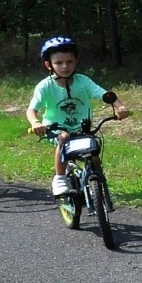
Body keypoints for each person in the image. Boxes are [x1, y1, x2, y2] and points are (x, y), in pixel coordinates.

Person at [26, 36, 131, 191]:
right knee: (64, 138)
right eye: (59, 63)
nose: (65, 66)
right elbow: (32, 109)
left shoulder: (83, 81)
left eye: (69, 62)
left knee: (94, 152)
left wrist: (120, 107)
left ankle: (98, 183)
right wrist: (35, 123)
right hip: (55, 128)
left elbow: (105, 95)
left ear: (76, 62)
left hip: (83, 128)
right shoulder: (45, 86)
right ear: (49, 65)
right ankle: (60, 178)